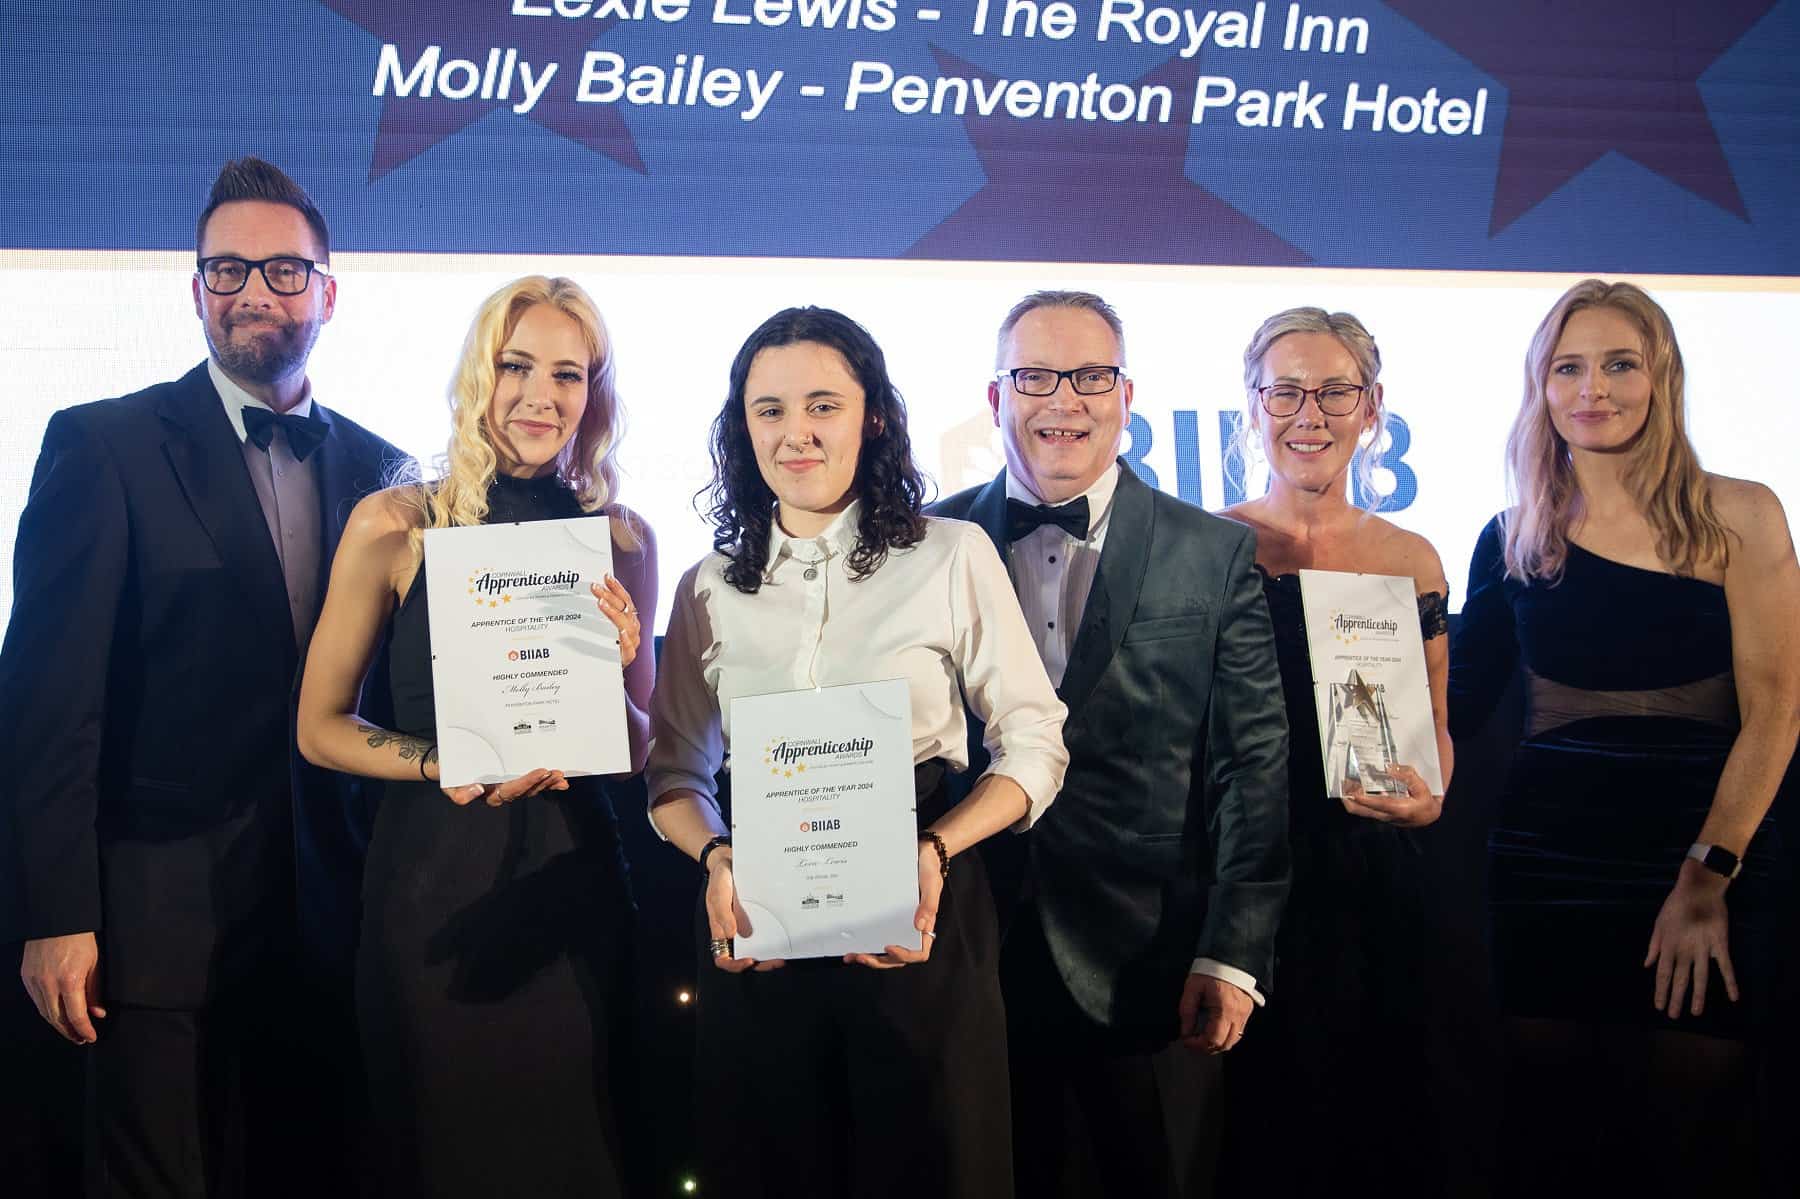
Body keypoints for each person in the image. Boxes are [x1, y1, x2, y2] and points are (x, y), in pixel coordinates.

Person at [0, 158, 406, 1196]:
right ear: (195, 290)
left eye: (281, 269)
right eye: (227, 270)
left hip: (330, 916)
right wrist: (54, 910)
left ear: (326, 291)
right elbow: (49, 703)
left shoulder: (386, 470)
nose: (252, 292)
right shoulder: (104, 444)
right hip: (152, 927)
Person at [646, 306, 1067, 1199]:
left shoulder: (951, 554)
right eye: (768, 410)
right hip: (757, 925)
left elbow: (1035, 742)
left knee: (934, 1163)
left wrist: (936, 848)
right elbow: (675, 773)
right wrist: (717, 857)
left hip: (925, 910)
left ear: (872, 415)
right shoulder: (709, 584)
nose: (795, 432)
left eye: (822, 405)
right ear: (741, 425)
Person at [295, 276, 654, 1197]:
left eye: (568, 374)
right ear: (475, 377)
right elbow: (319, 727)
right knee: (446, 1150)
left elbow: (645, 747)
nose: (541, 395)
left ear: (594, 393)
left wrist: (616, 672)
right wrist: (433, 760)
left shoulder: (620, 536)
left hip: (575, 878)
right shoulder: (398, 523)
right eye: (515, 366)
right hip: (436, 875)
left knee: (585, 1147)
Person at [930, 290, 1290, 1198]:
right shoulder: (924, 543)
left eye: (1090, 375)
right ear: (996, 393)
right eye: (1036, 375)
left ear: (1126, 394)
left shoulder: (1212, 552)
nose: (1064, 400)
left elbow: (1251, 765)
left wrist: (1232, 950)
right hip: (964, 951)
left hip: (1152, 965)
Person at [1449, 279, 1800, 1193]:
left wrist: (1704, 878)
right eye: (1568, 367)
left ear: (1662, 377)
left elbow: (1777, 712)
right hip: (1547, 864)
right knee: (1555, 1137)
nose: (1592, 388)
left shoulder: (1743, 513)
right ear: (1541, 386)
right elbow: (1450, 707)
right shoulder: (1514, 533)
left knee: (1693, 1133)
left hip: (1703, 863)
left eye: (1618, 364)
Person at [1215, 307, 1477, 1197]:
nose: (1309, 414)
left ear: (1372, 408)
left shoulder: (1411, 555)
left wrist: (1430, 793)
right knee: (1261, 1137)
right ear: (1252, 407)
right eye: (1285, 390)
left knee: (1381, 1133)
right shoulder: (1206, 546)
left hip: (1377, 883)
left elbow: (1437, 728)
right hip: (1245, 879)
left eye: (1334, 391)